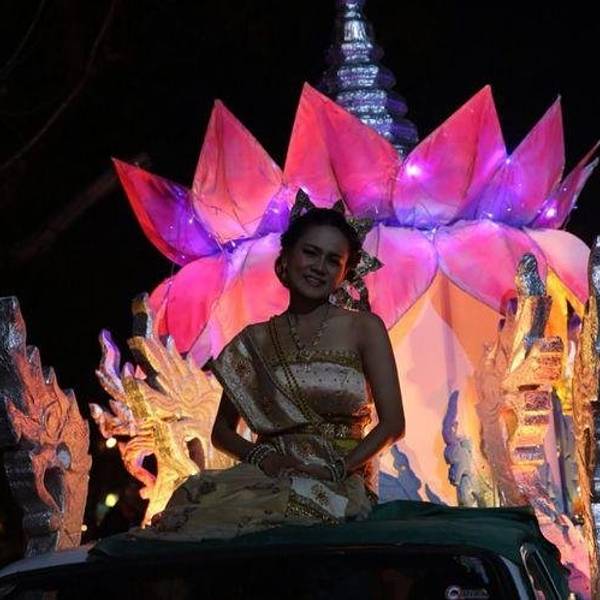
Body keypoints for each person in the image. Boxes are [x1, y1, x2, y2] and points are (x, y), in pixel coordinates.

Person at [147, 190, 405, 540]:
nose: (319, 267)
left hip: (341, 480)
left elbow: (393, 424)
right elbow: (222, 432)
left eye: (333, 260)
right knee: (190, 512)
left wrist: (338, 469)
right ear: (287, 257)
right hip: (269, 477)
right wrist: (264, 459)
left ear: (345, 273)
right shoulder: (255, 341)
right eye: (310, 252)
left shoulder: (364, 328)